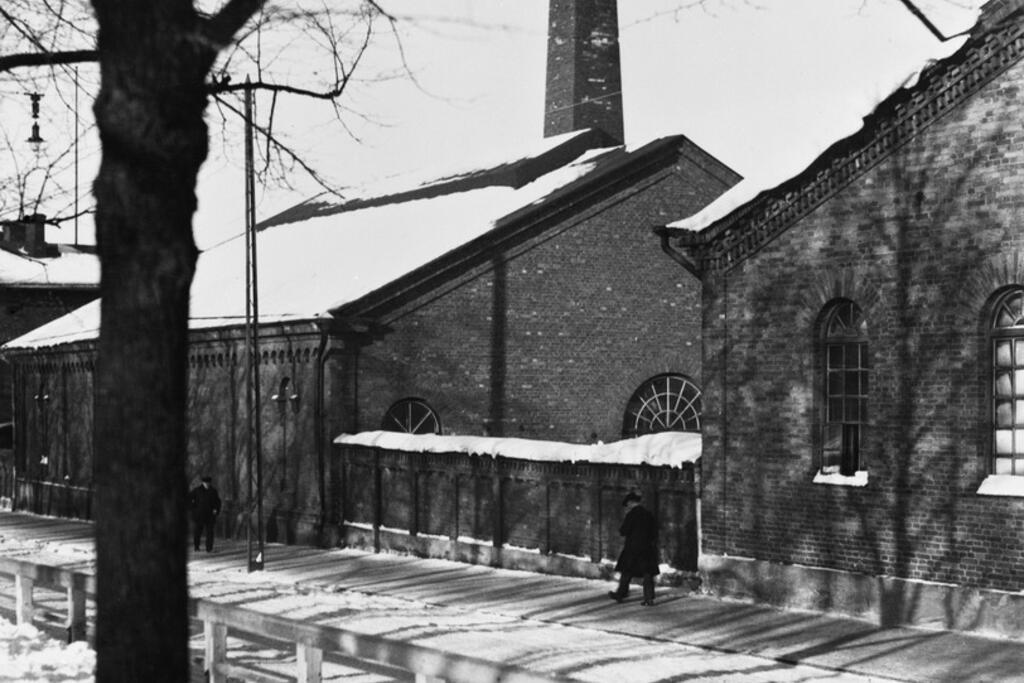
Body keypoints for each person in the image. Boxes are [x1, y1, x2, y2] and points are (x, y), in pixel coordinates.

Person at [608, 491, 660, 606]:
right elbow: (654, 532)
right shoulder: (648, 514)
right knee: (647, 574)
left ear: (631, 503)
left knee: (626, 571)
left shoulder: (631, 515)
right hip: (647, 548)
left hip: (632, 548)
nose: (627, 507)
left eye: (628, 505)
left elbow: (623, 531)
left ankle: (621, 594)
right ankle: (649, 598)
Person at [189, 475, 221, 552]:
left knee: (210, 532)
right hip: (199, 515)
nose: (207, 484)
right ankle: (196, 546)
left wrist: (216, 510)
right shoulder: (197, 490)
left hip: (210, 515)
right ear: (203, 483)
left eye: (208, 483)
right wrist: (193, 508)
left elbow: (218, 502)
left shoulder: (213, 491)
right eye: (205, 483)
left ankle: (209, 548)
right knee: (198, 531)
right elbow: (189, 498)